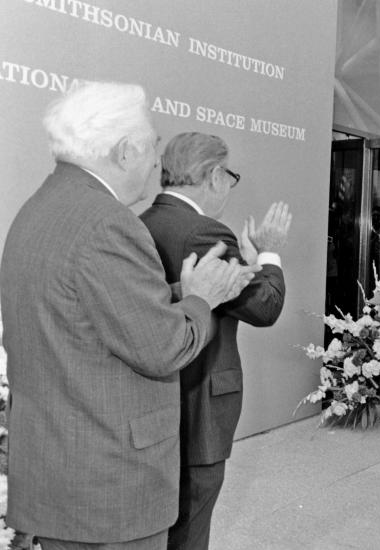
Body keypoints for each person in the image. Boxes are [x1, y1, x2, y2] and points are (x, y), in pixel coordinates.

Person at [0, 81, 256, 549]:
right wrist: (201, 300)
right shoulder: (108, 223)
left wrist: (184, 288)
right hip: (110, 488)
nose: (158, 161)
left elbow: (87, 307)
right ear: (123, 152)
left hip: (59, 469)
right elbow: (163, 349)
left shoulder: (39, 210)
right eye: (153, 145)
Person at [139, 133, 290, 550]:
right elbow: (265, 308)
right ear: (213, 175)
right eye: (231, 176)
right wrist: (268, 256)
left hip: (153, 403)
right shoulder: (205, 232)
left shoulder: (141, 223)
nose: (229, 186)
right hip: (197, 408)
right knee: (190, 530)